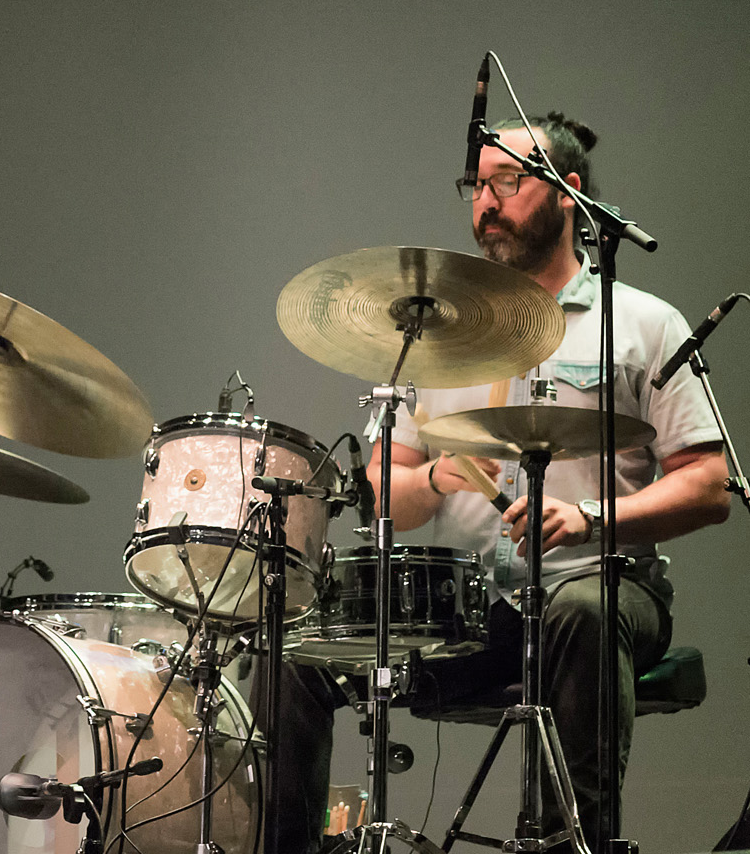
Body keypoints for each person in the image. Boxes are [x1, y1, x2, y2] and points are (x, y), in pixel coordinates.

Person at [257, 113, 729, 852]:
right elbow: (385, 493)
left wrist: (589, 518)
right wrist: (435, 475)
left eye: (507, 181)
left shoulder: (642, 325)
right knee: (292, 651)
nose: (485, 202)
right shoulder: (437, 334)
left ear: (568, 191)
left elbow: (708, 485)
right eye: (475, 186)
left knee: (581, 610)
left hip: (601, 586)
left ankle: (562, 846)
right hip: (470, 612)